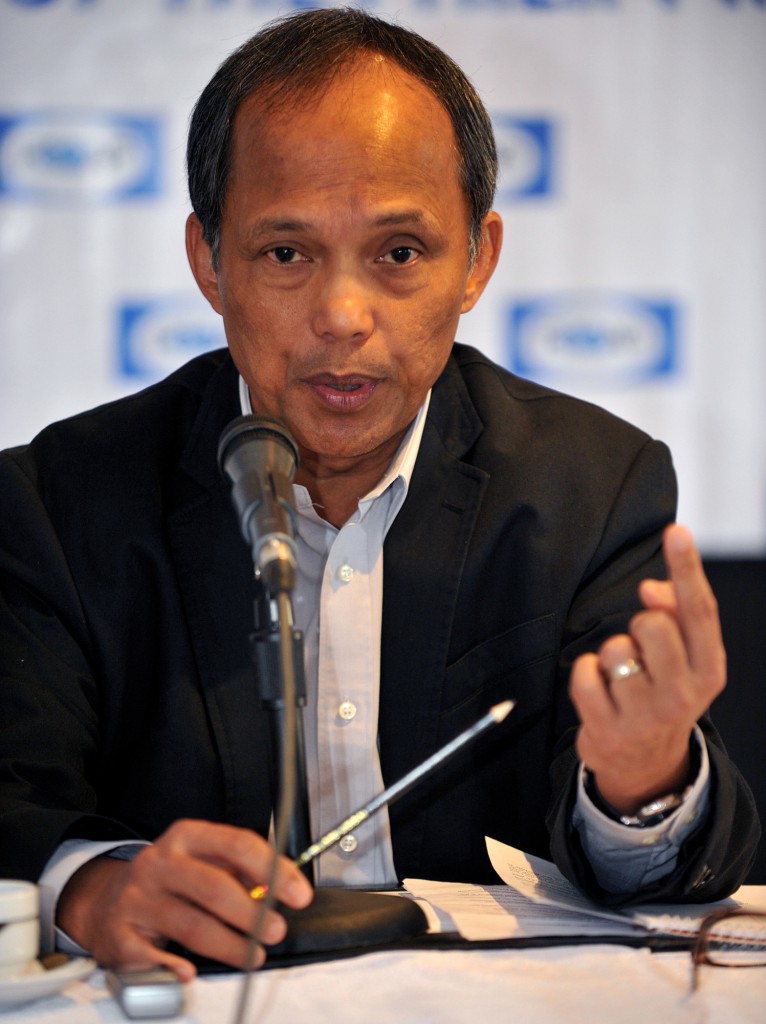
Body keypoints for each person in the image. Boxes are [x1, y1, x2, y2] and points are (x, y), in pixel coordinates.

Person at [0, 7, 759, 982]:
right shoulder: (60, 503)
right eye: (286, 254)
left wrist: (643, 780)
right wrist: (92, 887)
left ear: (476, 260)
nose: (342, 316)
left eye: (399, 252)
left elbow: (671, 868)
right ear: (209, 262)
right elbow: (12, 797)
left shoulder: (589, 485)